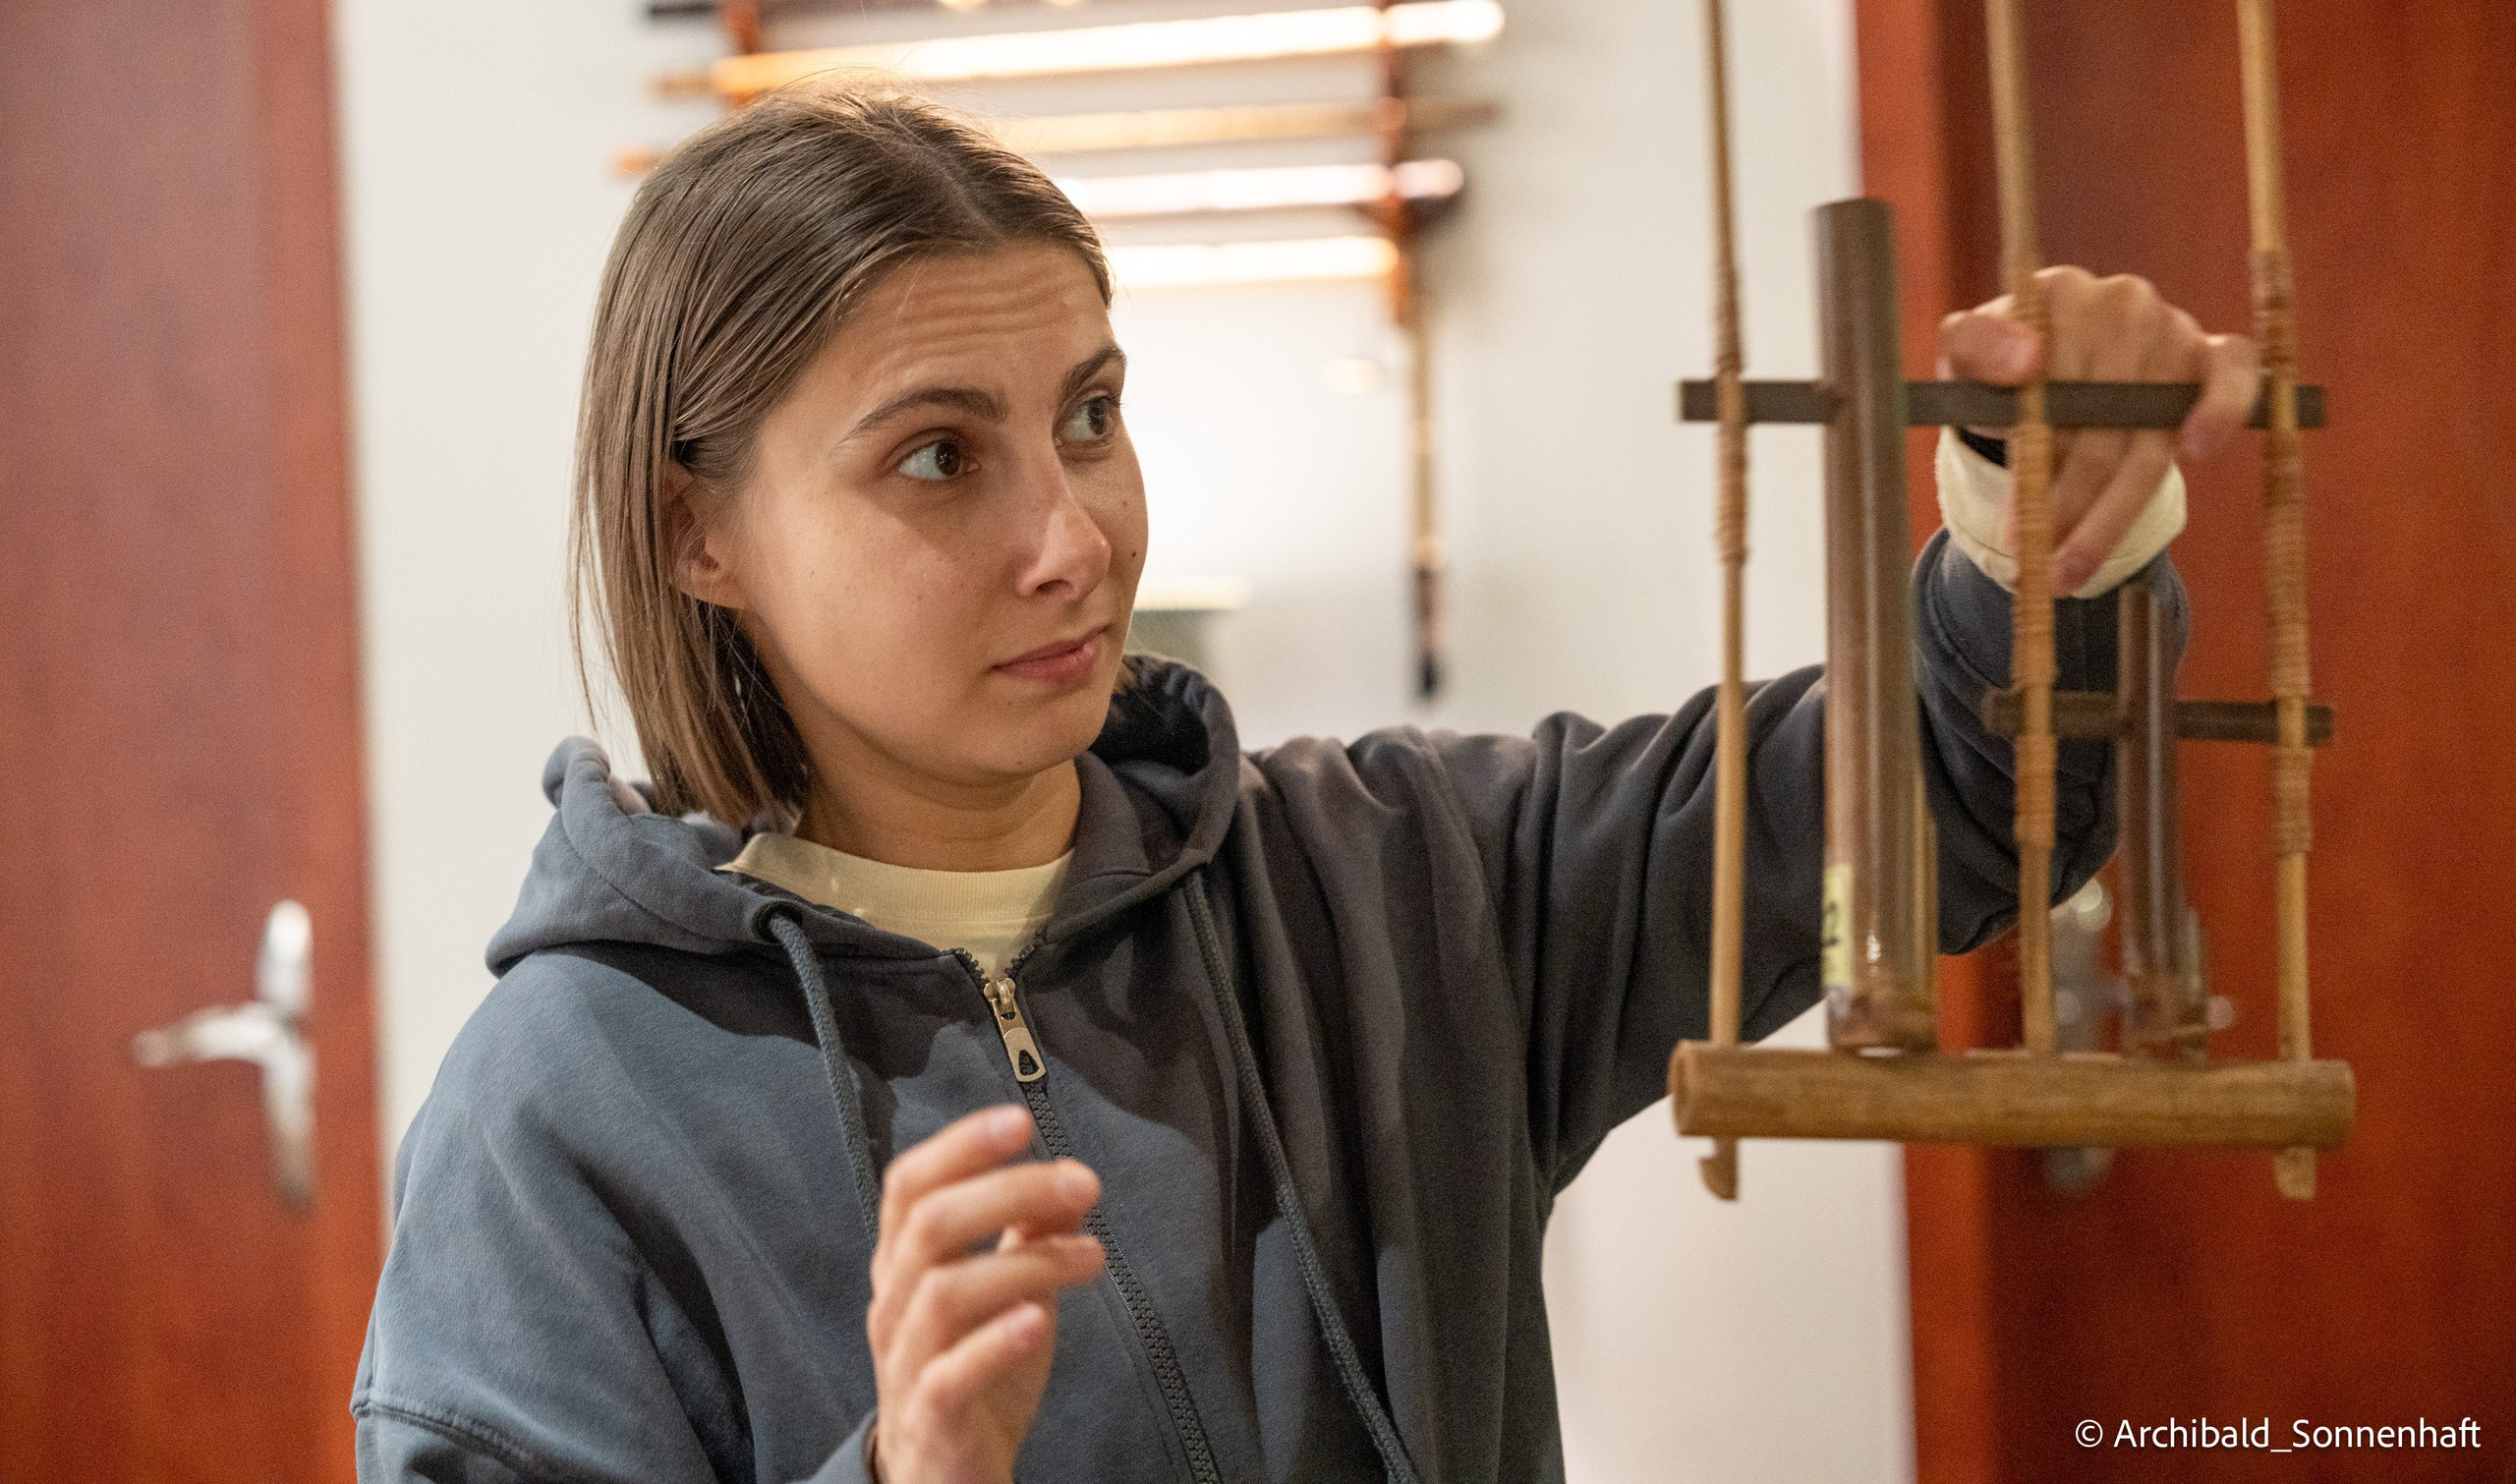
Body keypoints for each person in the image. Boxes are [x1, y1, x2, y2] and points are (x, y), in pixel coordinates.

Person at [350, 81, 2257, 1484]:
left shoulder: (1397, 880)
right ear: (698, 533)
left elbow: (1929, 806)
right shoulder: (563, 1118)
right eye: (937, 458)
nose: (1070, 536)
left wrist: (2036, 534)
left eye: (1088, 416)